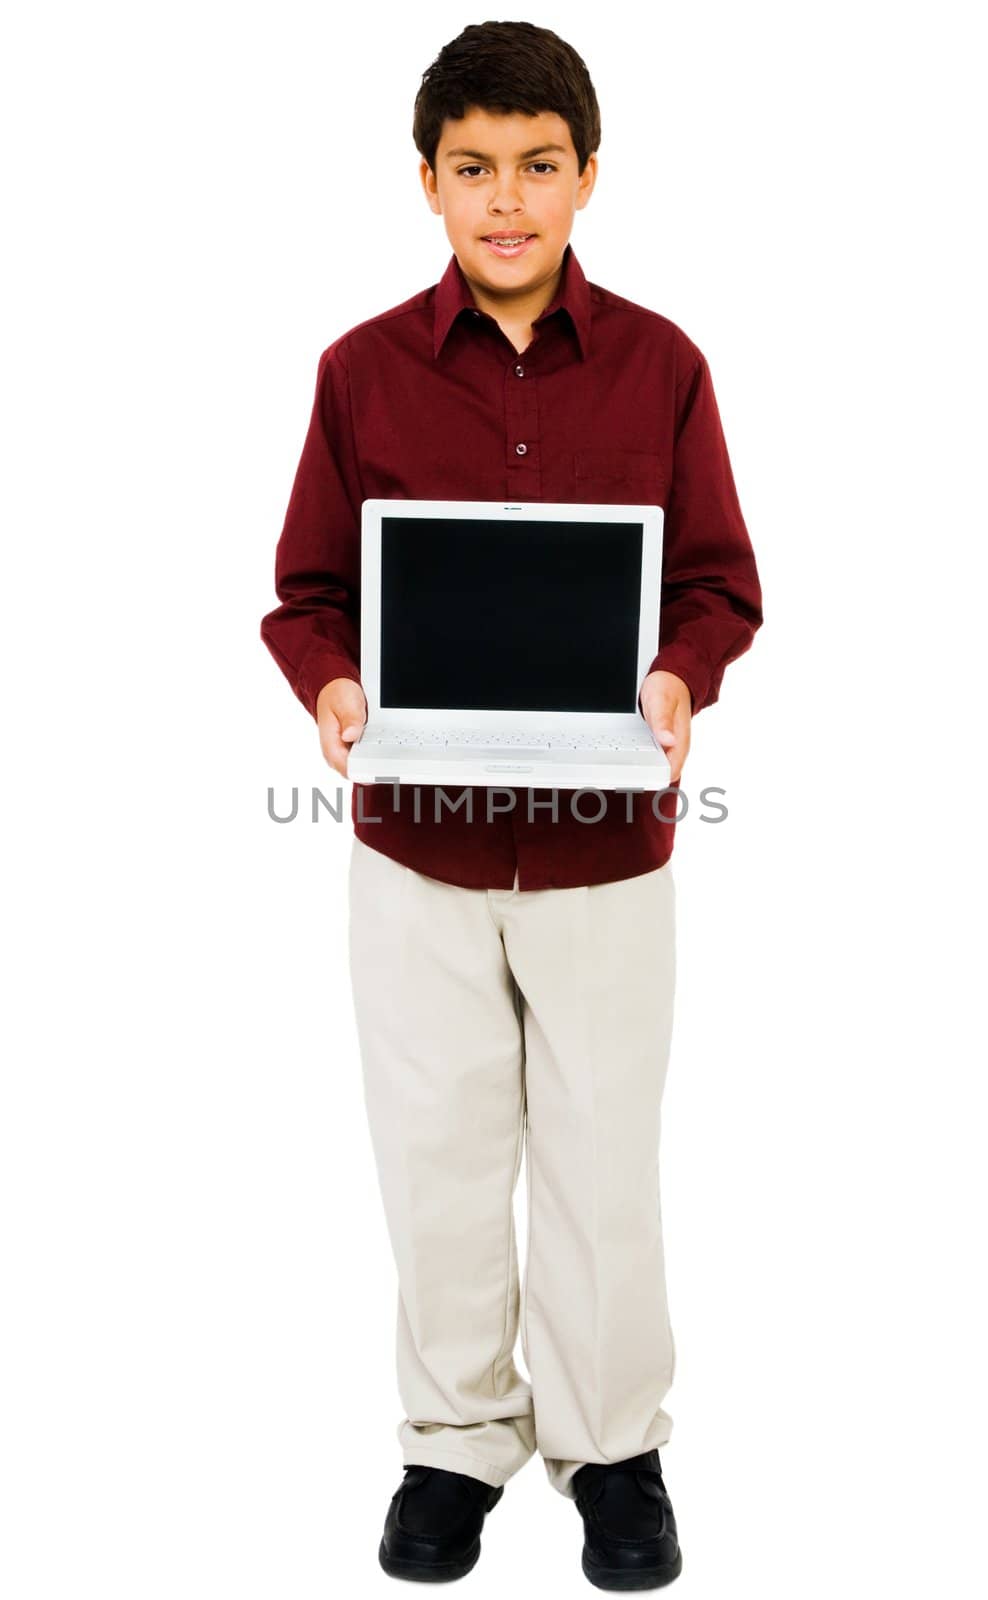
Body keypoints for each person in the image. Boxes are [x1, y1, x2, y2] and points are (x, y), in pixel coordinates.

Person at [260, 19, 763, 1590]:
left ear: (587, 178)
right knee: (440, 1149)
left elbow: (719, 586)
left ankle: (617, 1452)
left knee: (605, 1156)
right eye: (472, 169)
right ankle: (453, 1445)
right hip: (418, 843)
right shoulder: (360, 371)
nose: (507, 200)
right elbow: (306, 594)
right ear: (427, 183)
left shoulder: (665, 365)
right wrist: (338, 694)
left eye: (539, 168)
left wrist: (679, 681)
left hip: (612, 845)